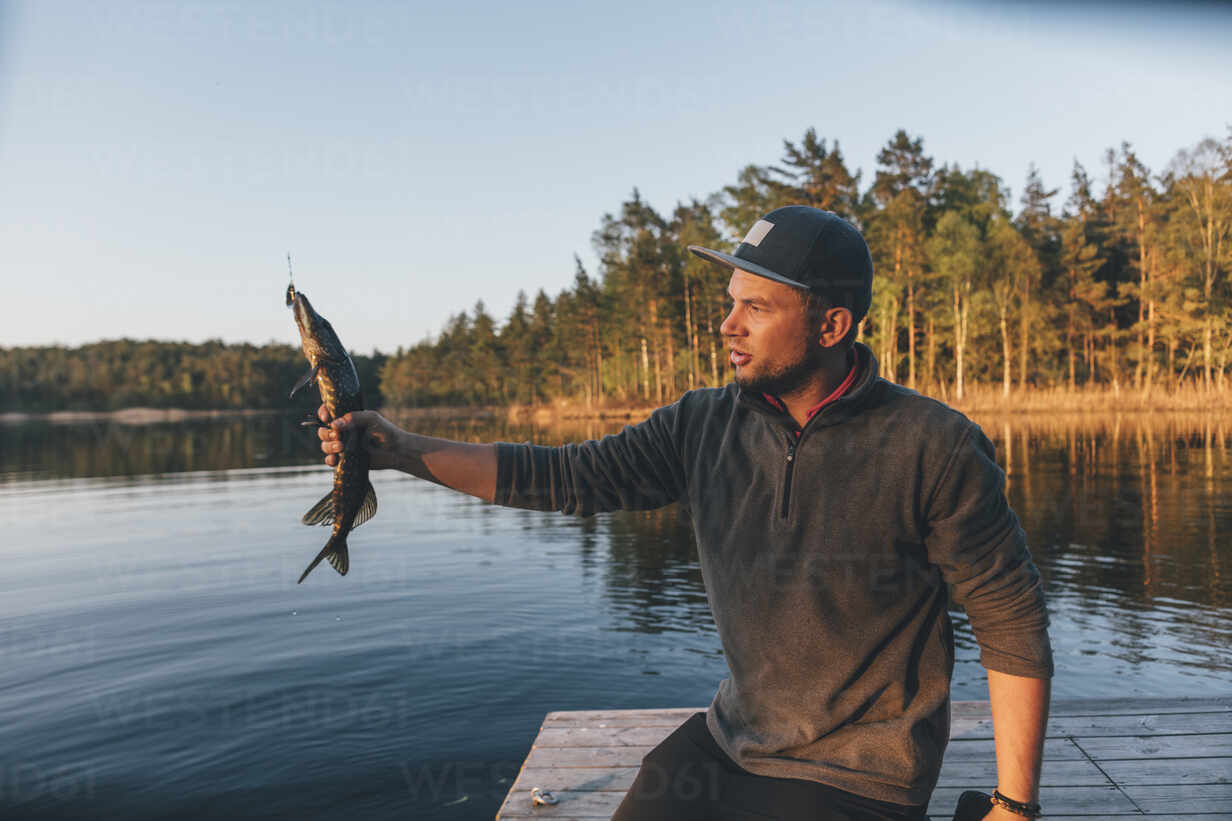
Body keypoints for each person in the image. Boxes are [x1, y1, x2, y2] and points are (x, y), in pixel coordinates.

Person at [316, 206, 1053, 821]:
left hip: (857, 775)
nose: (727, 324)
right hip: (729, 740)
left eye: (755, 307)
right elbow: (565, 476)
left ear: (832, 326)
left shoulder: (935, 445)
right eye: (730, 301)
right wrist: (401, 449)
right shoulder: (702, 425)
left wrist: (1013, 807)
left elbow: (1011, 620)